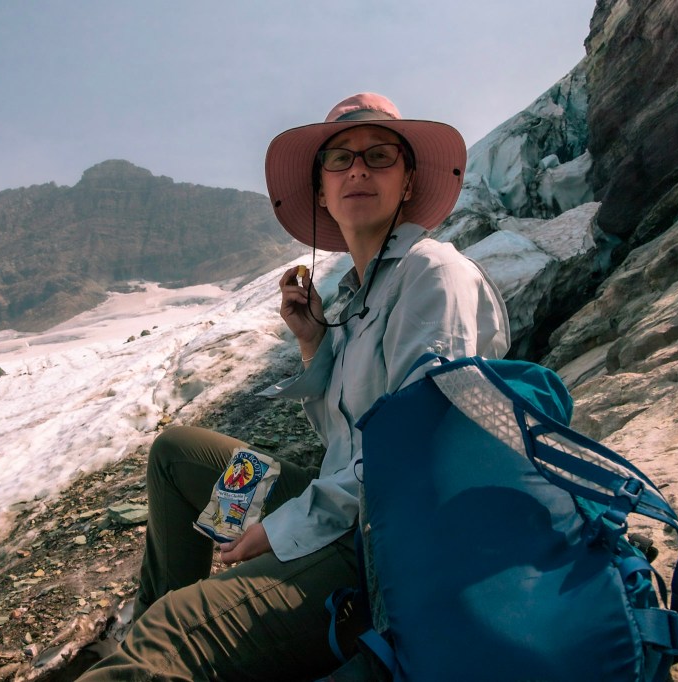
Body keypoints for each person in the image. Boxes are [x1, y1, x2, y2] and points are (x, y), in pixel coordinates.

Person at [78, 92, 511, 681]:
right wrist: (313, 343)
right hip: (345, 506)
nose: (358, 169)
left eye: (380, 155)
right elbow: (346, 442)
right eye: (339, 159)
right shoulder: (360, 297)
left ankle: (161, 650)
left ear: (408, 182)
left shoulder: (433, 275)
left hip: (381, 546)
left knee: (172, 632)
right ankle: (163, 649)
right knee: (177, 454)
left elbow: (416, 455)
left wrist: (277, 530)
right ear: (321, 190)